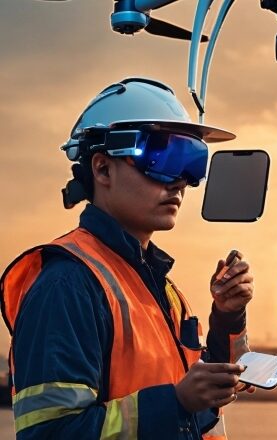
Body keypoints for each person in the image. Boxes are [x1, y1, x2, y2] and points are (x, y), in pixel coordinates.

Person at [0, 77, 254, 439]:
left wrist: (227, 316)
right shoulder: (67, 285)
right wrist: (177, 403)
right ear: (103, 169)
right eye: (162, 157)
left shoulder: (158, 286)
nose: (179, 181)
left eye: (191, 162)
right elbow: (51, 432)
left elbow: (198, 385)